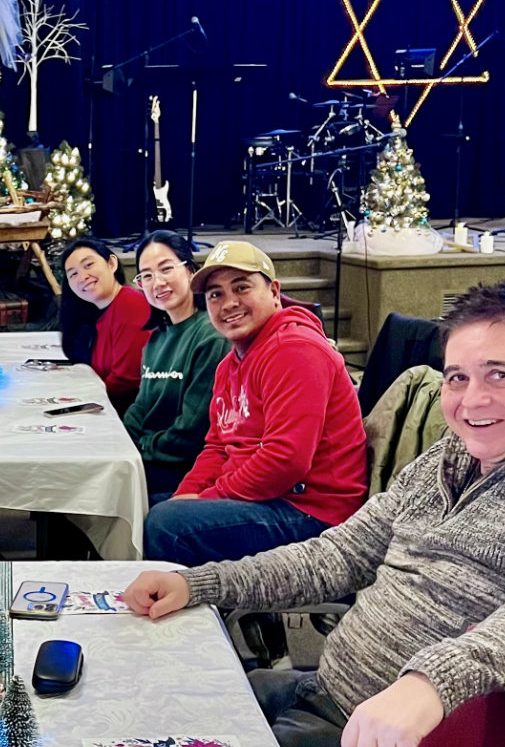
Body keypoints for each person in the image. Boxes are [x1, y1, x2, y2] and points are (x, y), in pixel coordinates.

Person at [125, 280, 505, 747]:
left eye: (499, 374)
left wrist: (431, 683)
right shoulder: (451, 457)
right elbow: (338, 555)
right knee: (154, 717)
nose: (470, 401)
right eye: (457, 377)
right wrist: (200, 584)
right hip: (326, 693)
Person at [143, 241, 367, 565]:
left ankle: (199, 596)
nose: (229, 303)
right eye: (216, 294)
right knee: (149, 506)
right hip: (268, 498)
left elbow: (285, 461)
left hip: (314, 512)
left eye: (241, 287)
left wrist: (207, 498)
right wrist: (186, 494)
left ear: (274, 292)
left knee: (167, 526)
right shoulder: (229, 364)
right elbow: (218, 447)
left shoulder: (295, 350)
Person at [122, 231, 228, 501]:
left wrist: (139, 449)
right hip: (149, 455)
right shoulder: (157, 338)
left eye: (166, 269)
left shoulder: (211, 337)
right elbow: (140, 407)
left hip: (181, 466)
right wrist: (121, 444)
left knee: (94, 490)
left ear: (190, 270)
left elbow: (192, 431)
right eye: (146, 275)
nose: (157, 282)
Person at [59, 237, 153, 411]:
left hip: (131, 411)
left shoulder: (130, 304)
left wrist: (78, 401)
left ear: (111, 263)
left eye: (88, 265)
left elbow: (126, 380)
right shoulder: (95, 313)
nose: (83, 277)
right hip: (110, 404)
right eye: (73, 274)